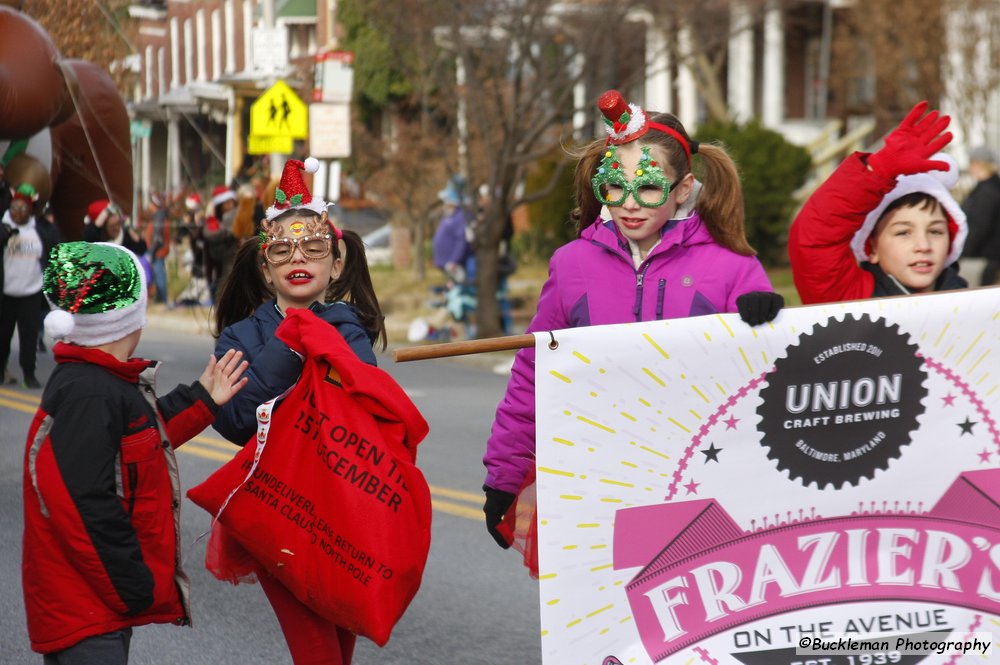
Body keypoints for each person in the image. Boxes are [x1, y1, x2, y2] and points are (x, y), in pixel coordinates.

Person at [482, 90, 782, 554]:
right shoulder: (572, 264)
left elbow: (766, 374)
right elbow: (533, 371)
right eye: (615, 186)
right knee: (605, 611)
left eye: (647, 187)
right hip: (599, 472)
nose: (629, 203)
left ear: (682, 189)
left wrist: (766, 318)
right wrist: (504, 471)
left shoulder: (731, 267)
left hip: (700, 473)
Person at [21, 241, 248, 664]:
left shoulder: (98, 380)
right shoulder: (88, 393)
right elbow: (81, 502)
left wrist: (202, 398)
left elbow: (138, 443)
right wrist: (132, 584)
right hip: (85, 611)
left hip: (94, 605)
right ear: (130, 318)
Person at [210, 157, 386, 665]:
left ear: (335, 264)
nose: (298, 258)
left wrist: (316, 328)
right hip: (278, 510)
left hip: (345, 512)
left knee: (338, 648)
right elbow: (237, 417)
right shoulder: (239, 337)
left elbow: (362, 395)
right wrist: (292, 340)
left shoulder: (348, 326)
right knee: (318, 654)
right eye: (282, 249)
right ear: (266, 270)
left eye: (313, 246)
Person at [789, 101, 968, 303]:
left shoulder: (975, 306)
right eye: (903, 232)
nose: (923, 245)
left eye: (935, 231)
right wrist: (879, 169)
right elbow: (815, 239)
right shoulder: (850, 298)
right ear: (872, 247)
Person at [0, 184, 58, 388]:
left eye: (23, 209)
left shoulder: (40, 229)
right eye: (15, 208)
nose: (18, 213)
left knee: (30, 337)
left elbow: (53, 252)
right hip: (6, 292)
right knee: (3, 335)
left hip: (31, 292)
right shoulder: (3, 225)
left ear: (31, 210)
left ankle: (28, 374)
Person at [960, 145, 1000, 286]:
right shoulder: (990, 187)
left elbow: (980, 226)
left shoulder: (987, 192)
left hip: (982, 258)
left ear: (978, 163)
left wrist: (962, 252)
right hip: (986, 256)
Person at [204, 184, 238, 301]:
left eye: (231, 202)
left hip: (232, 257)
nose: (230, 205)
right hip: (217, 260)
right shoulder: (214, 219)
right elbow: (209, 234)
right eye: (227, 203)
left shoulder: (235, 215)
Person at [83, 199, 147, 256]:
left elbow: (141, 249)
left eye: (118, 223)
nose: (117, 228)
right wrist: (105, 212)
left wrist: (129, 229)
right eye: (112, 226)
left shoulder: (125, 236)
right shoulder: (97, 239)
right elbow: (90, 236)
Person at [144, 191, 171, 304]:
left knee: (160, 276)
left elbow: (157, 238)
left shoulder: (159, 218)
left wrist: (151, 252)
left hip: (157, 252)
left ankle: (163, 300)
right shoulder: (158, 217)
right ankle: (159, 299)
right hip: (157, 251)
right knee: (156, 276)